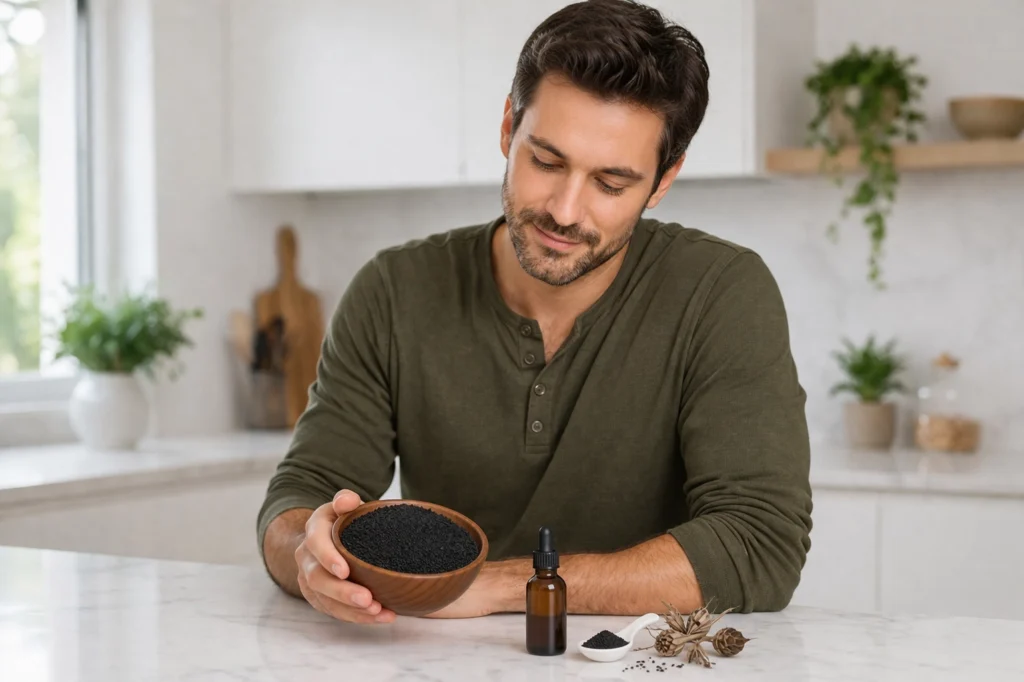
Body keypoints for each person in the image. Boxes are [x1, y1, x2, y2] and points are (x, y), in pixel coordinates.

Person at [257, 0, 812, 626]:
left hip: (632, 663)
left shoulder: (722, 293)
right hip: (434, 663)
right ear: (507, 127)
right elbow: (299, 497)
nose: (566, 211)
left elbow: (761, 544)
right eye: (546, 162)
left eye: (611, 183)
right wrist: (307, 557)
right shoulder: (393, 290)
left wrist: (500, 586)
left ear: (663, 180)